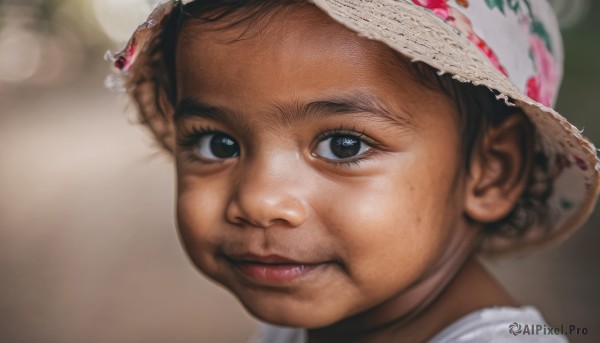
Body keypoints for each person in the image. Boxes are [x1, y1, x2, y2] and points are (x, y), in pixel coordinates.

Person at [107, 0, 599, 342]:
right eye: (219, 144)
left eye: (343, 146)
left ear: (491, 171)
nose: (258, 200)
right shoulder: (307, 324)